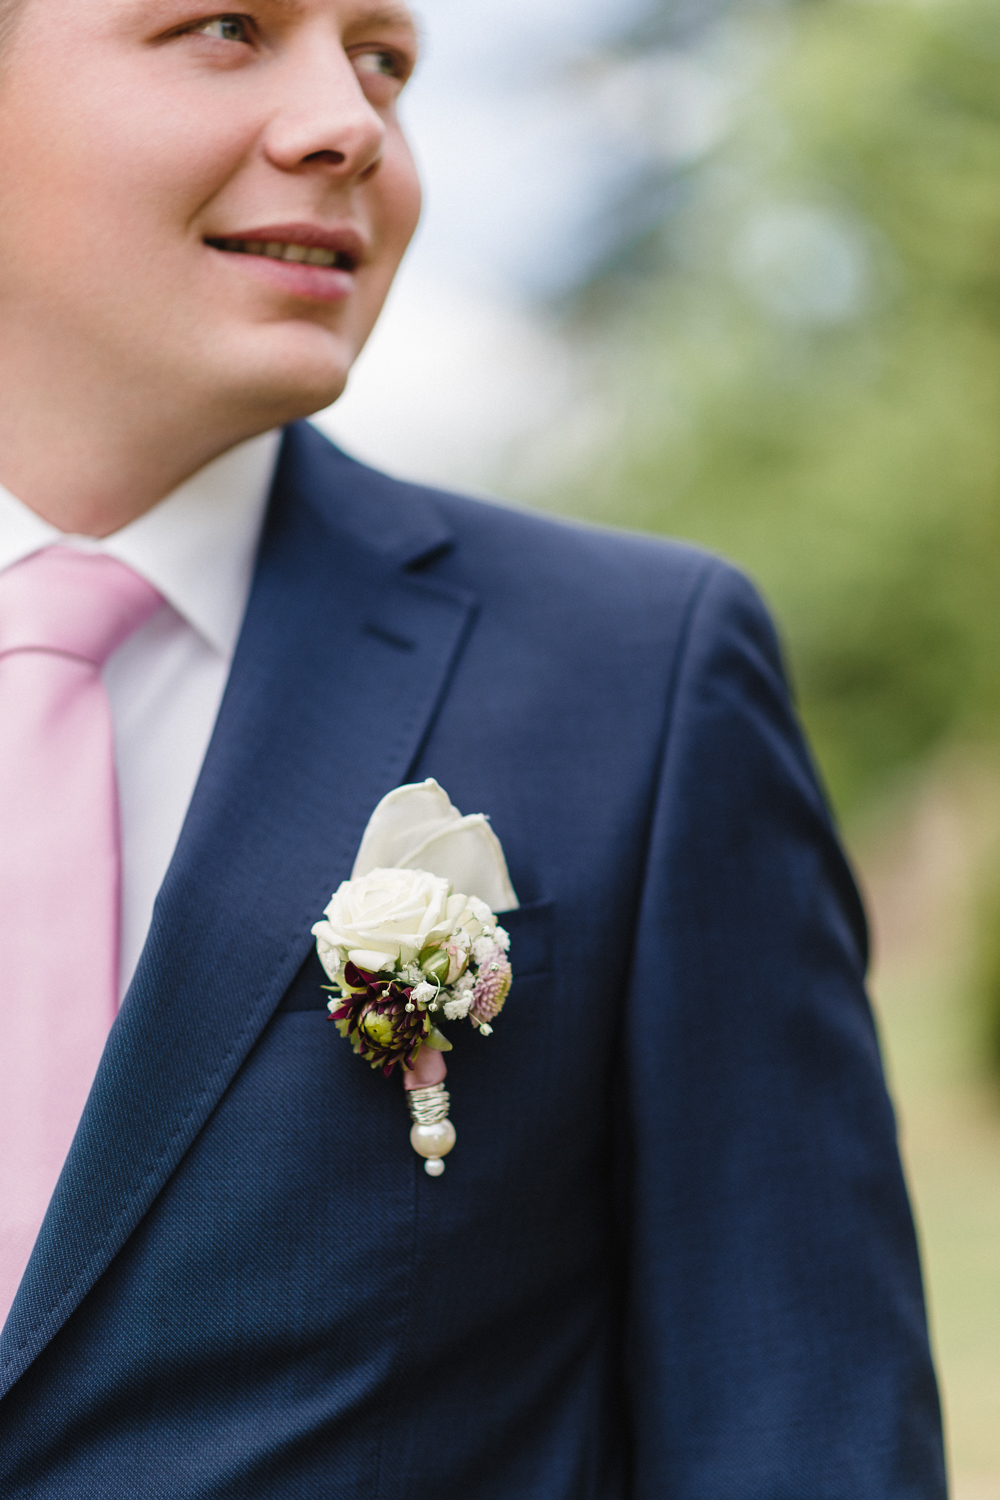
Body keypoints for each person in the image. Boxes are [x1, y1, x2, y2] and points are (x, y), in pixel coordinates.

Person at [0, 0, 947, 1494]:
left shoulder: (637, 676)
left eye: (384, 58)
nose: (353, 122)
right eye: (229, 28)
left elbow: (798, 1431)